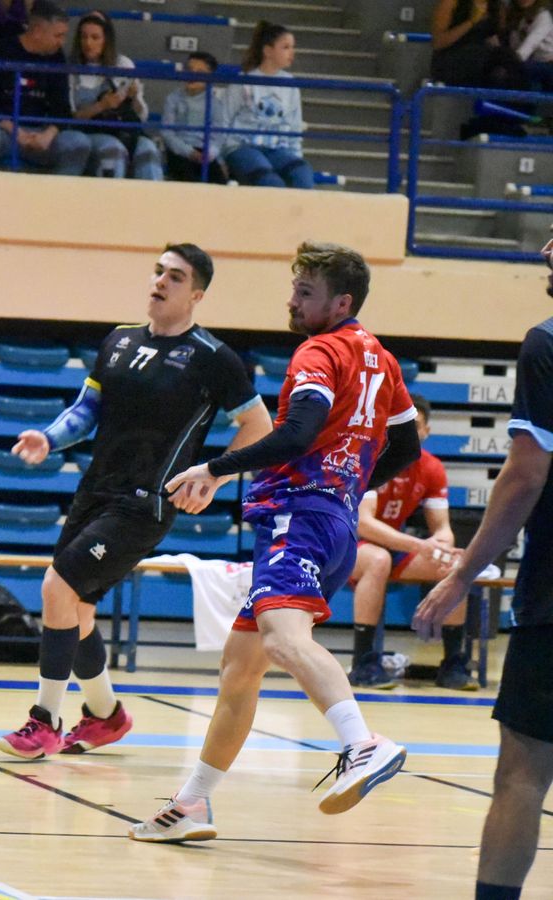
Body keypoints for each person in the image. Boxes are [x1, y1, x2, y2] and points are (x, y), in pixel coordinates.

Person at [132, 241, 422, 843]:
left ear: (341, 302)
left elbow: (296, 433)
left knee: (285, 640)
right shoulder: (382, 359)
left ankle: (362, 744)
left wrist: (216, 468)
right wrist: (345, 483)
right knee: (241, 670)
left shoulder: (320, 351)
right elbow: (406, 449)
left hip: (299, 517)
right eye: (294, 288)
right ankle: (191, 805)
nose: (293, 301)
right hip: (334, 522)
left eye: (306, 293)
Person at [0, 244, 270, 760]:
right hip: (95, 490)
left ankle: (44, 722)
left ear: (197, 294)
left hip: (146, 503)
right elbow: (88, 406)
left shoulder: (214, 358)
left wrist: (212, 477)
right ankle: (105, 716)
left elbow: (260, 427)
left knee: (57, 587)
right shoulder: (119, 341)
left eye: (176, 276)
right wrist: (50, 439)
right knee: (73, 609)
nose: (160, 281)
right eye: (158, 271)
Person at [414, 231, 553, 900]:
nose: (547, 247)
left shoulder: (548, 342)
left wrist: (463, 573)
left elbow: (524, 476)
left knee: (523, 770)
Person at [347, 396, 474, 691]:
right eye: (400, 425)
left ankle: (453, 664)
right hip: (347, 543)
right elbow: (363, 523)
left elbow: (442, 529)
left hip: (393, 546)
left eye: (414, 426)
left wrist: (441, 545)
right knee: (378, 560)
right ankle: (364, 662)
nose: (407, 432)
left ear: (427, 431)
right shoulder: (372, 458)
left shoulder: (431, 468)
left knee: (455, 564)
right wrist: (418, 546)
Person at [0, 1, 91, 174]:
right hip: (4, 131)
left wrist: (47, 135)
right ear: (38, 31)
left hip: (39, 134)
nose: (61, 42)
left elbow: (62, 108)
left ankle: (59, 197)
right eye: (58, 36)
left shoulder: (57, 58)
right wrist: (16, 132)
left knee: (78, 143)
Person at [66, 12, 161, 180]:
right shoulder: (71, 69)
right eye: (84, 37)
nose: (88, 43)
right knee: (113, 151)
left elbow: (141, 115)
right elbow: (70, 117)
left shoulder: (123, 64)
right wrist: (101, 106)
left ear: (106, 39)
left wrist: (134, 98)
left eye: (95, 38)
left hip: (123, 129)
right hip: (91, 131)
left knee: (149, 150)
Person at [220, 22, 314, 190]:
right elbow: (222, 120)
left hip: (277, 148)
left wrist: (297, 155)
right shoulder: (243, 81)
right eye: (286, 47)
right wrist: (219, 158)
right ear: (268, 51)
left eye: (293, 47)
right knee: (270, 182)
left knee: (303, 174)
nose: (292, 53)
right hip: (243, 146)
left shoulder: (290, 84)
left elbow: (294, 125)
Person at [161, 51, 227, 184]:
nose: (193, 75)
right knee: (188, 181)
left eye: (200, 72)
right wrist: (188, 152)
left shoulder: (215, 102)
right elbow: (167, 133)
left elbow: (219, 134)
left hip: (205, 152)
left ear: (210, 77)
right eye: (189, 69)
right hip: (179, 151)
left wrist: (210, 154)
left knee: (219, 183)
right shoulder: (173, 99)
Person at [506, 0, 553, 93]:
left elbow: (530, 44)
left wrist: (512, 61)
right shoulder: (520, 17)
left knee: (519, 69)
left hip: (549, 63)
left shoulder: (543, 15)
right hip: (533, 61)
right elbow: (515, 46)